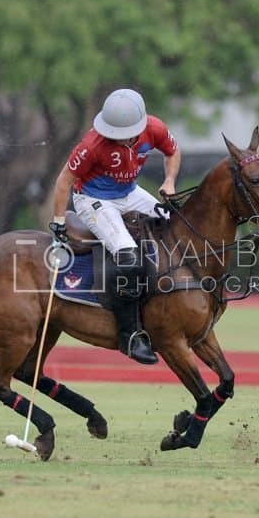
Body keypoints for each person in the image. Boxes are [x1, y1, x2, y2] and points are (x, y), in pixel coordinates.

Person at [49, 88, 181, 365]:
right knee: (128, 257)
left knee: (177, 227)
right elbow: (64, 181)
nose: (117, 138)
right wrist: (59, 221)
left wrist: (169, 181)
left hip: (129, 192)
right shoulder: (91, 145)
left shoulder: (154, 128)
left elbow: (173, 150)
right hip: (93, 199)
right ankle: (129, 334)